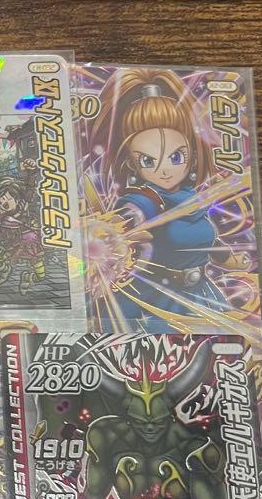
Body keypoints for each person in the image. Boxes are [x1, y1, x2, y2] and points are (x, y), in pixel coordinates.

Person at [93, 68, 228, 327]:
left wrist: (225, 256)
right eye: (148, 160)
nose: (164, 170)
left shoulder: (192, 197)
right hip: (161, 300)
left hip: (200, 294)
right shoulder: (146, 199)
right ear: (132, 163)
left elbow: (203, 237)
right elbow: (130, 216)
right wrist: (113, 229)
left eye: (176, 157)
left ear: (192, 155)